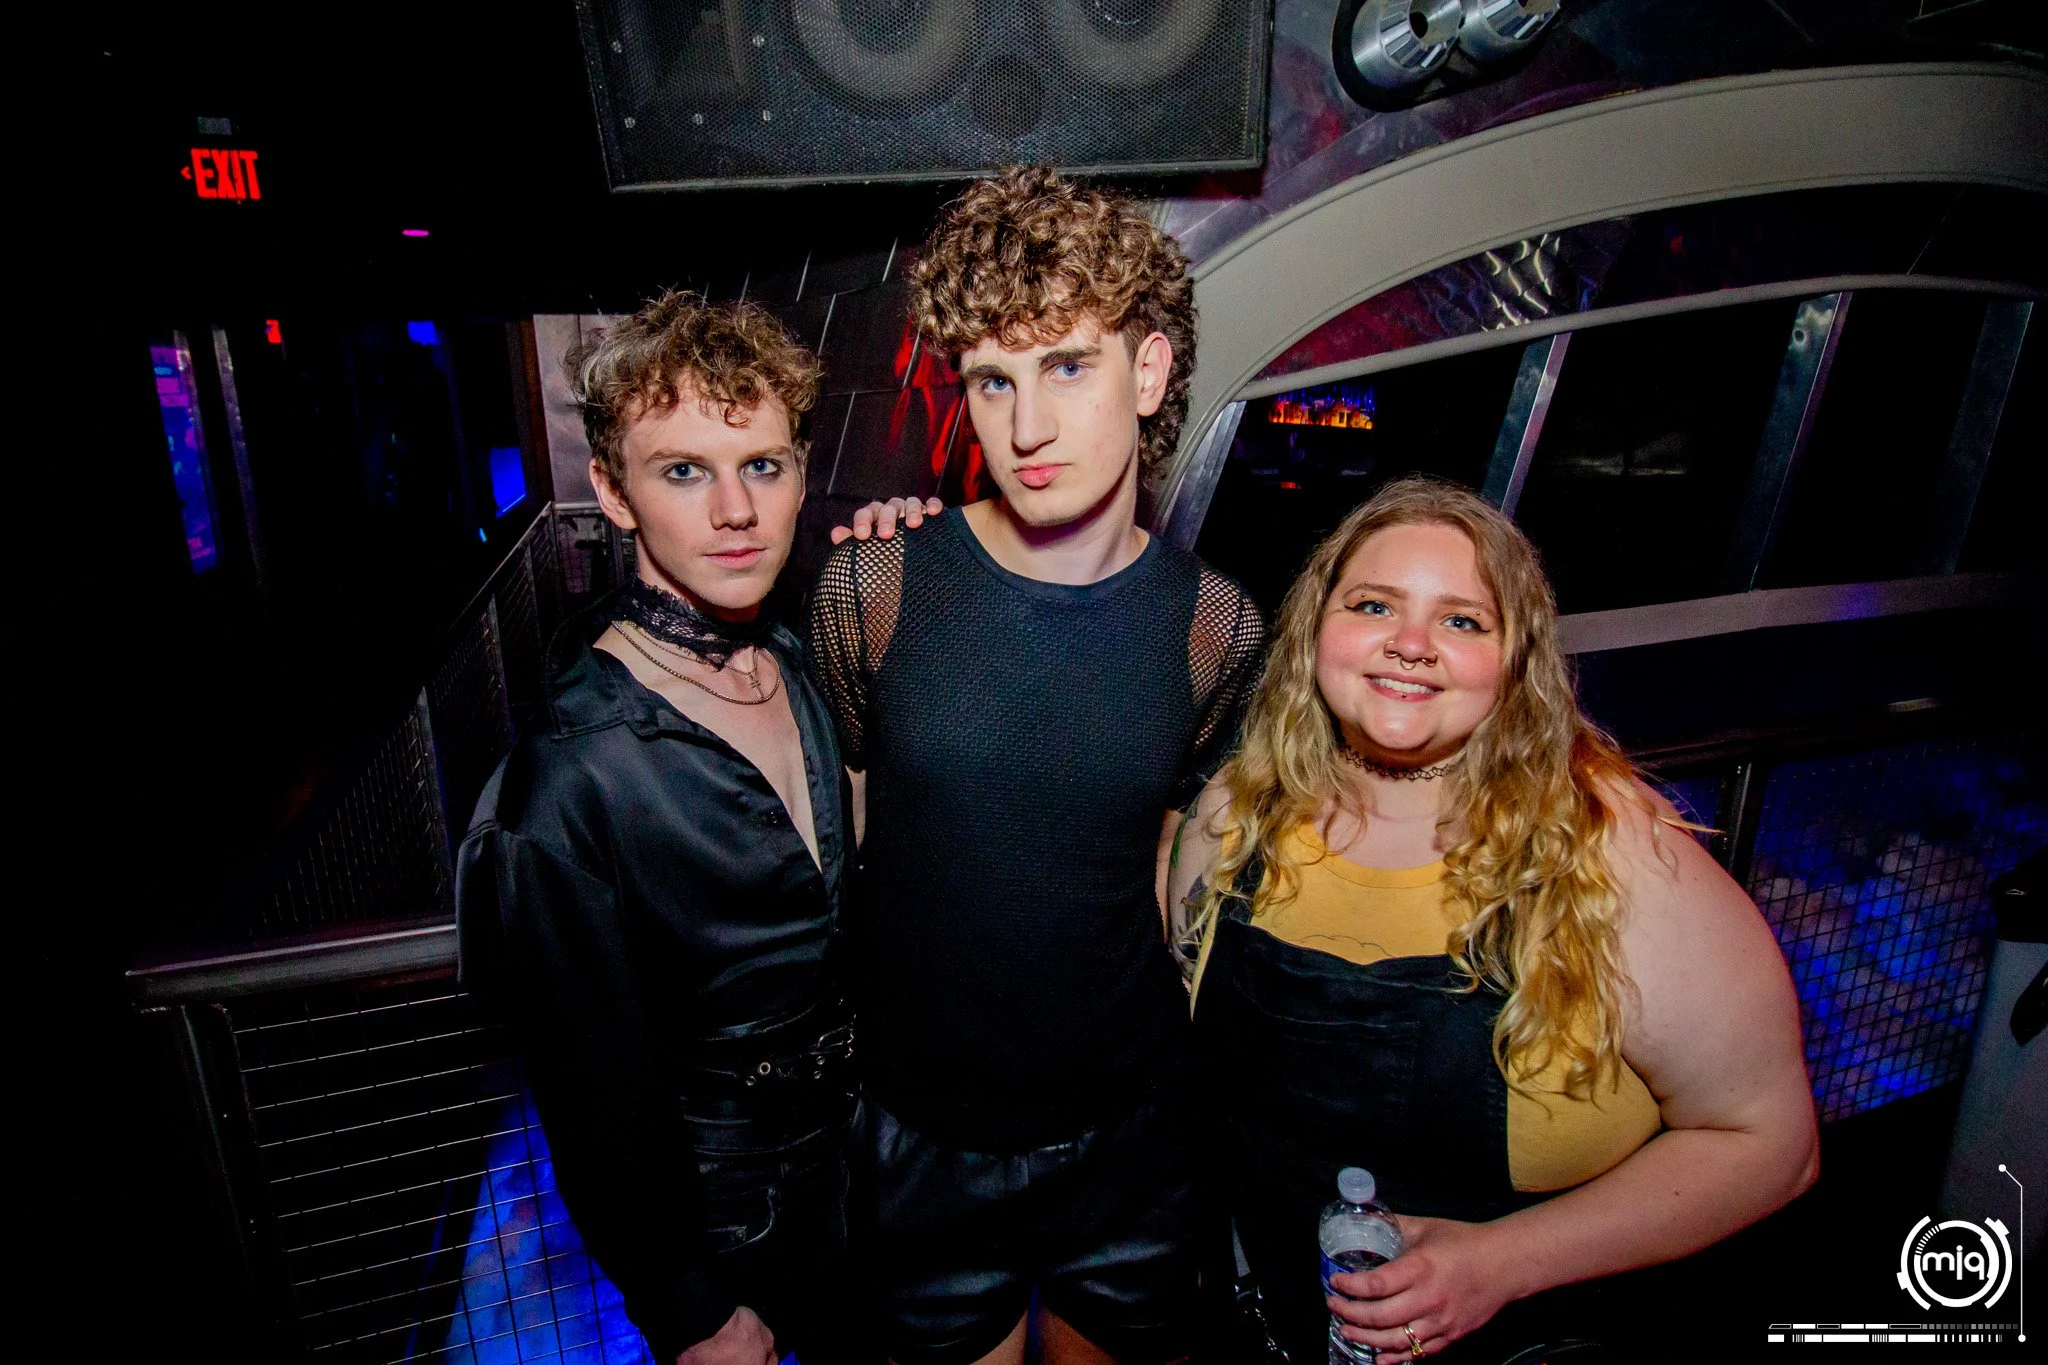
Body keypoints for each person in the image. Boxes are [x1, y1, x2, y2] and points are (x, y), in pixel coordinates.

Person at [1168, 478, 1819, 1364]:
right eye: (1373, 605)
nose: (1410, 643)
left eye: (1462, 620)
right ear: (1317, 627)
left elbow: (1772, 1142)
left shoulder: (1612, 853)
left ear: (1516, 660)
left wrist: (1503, 1262)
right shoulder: (1234, 817)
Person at [807, 165, 1266, 1365]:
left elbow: (1174, 863)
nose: (1024, 429)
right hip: (923, 1144)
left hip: (1126, 1140)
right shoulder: (875, 586)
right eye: (991, 381)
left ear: (1147, 372)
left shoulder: (1215, 628)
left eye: (1066, 367)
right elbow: (851, 835)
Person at [456, 291, 861, 1365]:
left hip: (862, 1176)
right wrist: (688, 1310)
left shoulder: (795, 662)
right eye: (683, 470)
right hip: (727, 1225)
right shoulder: (570, 775)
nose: (735, 509)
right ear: (612, 491)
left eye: (762, 465)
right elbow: (591, 1091)